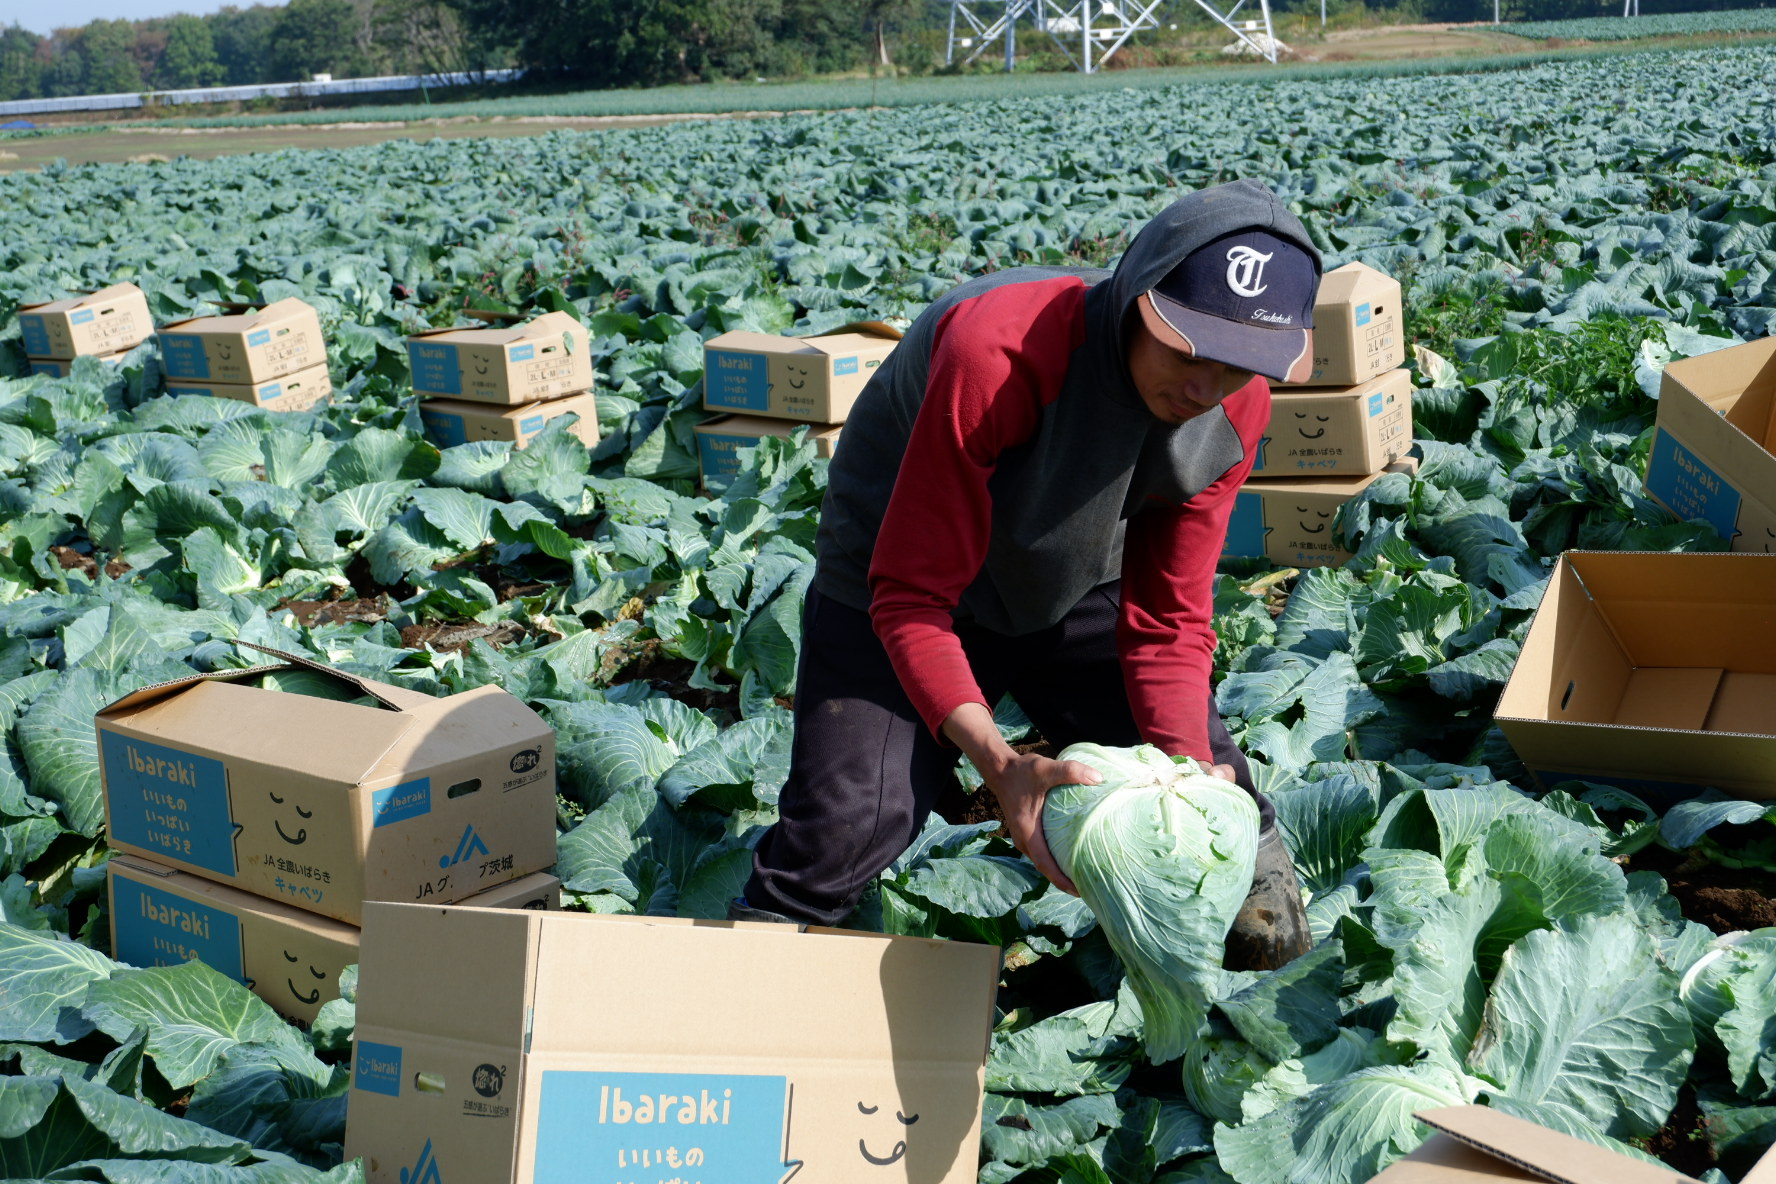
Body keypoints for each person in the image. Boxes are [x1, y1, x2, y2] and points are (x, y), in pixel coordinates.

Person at [730, 178, 1316, 971]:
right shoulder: (996, 355)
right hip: (897, 572)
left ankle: (1245, 938)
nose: (1203, 388)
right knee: (849, 825)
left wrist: (1194, 787)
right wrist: (999, 767)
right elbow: (910, 598)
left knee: (1221, 799)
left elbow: (1169, 624)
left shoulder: (1231, 411)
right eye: (1185, 350)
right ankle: (745, 984)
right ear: (1138, 295)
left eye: (1237, 367)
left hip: (1073, 575)